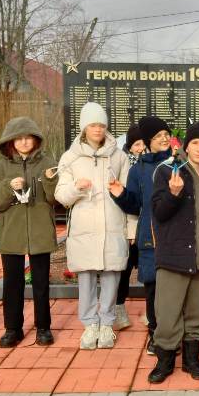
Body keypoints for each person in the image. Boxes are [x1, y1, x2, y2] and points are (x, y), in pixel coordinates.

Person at [55, 102, 134, 350]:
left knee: (112, 275)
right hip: (84, 228)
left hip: (112, 225)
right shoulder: (71, 157)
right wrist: (76, 188)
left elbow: (130, 195)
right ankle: (90, 324)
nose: (98, 129)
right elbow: (60, 195)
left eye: (101, 124)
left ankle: (107, 323)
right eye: (92, 125)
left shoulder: (119, 156)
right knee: (86, 276)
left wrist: (130, 229)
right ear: (84, 127)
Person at [147, 122, 199, 383]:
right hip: (173, 256)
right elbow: (159, 213)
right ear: (186, 146)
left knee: (196, 313)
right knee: (167, 314)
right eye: (196, 143)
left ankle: (191, 360)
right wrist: (173, 195)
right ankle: (164, 362)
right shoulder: (167, 171)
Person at [0, 117, 58, 347]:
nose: (24, 142)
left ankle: (43, 327)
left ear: (36, 140)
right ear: (10, 141)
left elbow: (54, 198)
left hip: (40, 232)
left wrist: (48, 181)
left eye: (28, 138)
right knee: (12, 284)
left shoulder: (48, 161)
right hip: (11, 234)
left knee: (41, 283)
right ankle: (12, 328)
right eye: (19, 138)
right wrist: (8, 187)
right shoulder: (0, 167)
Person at [111, 116, 172, 354]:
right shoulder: (138, 170)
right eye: (157, 137)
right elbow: (134, 205)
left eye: (166, 134)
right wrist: (120, 194)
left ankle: (174, 333)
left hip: (176, 236)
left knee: (174, 288)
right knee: (153, 289)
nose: (164, 139)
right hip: (150, 235)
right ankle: (155, 335)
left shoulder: (179, 164)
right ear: (148, 142)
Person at [112, 123, 146, 332]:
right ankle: (119, 309)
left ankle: (151, 312)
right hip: (129, 230)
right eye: (137, 144)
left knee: (150, 272)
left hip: (148, 228)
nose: (141, 147)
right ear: (130, 146)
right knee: (123, 272)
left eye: (144, 143)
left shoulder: (154, 165)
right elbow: (126, 202)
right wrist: (131, 231)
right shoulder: (125, 167)